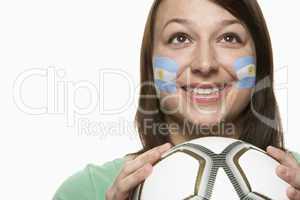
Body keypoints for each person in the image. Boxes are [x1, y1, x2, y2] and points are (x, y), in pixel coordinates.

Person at [53, 0, 300, 199]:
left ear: (260, 60)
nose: (205, 63)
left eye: (229, 38)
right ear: (150, 63)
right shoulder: (87, 192)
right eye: (180, 38)